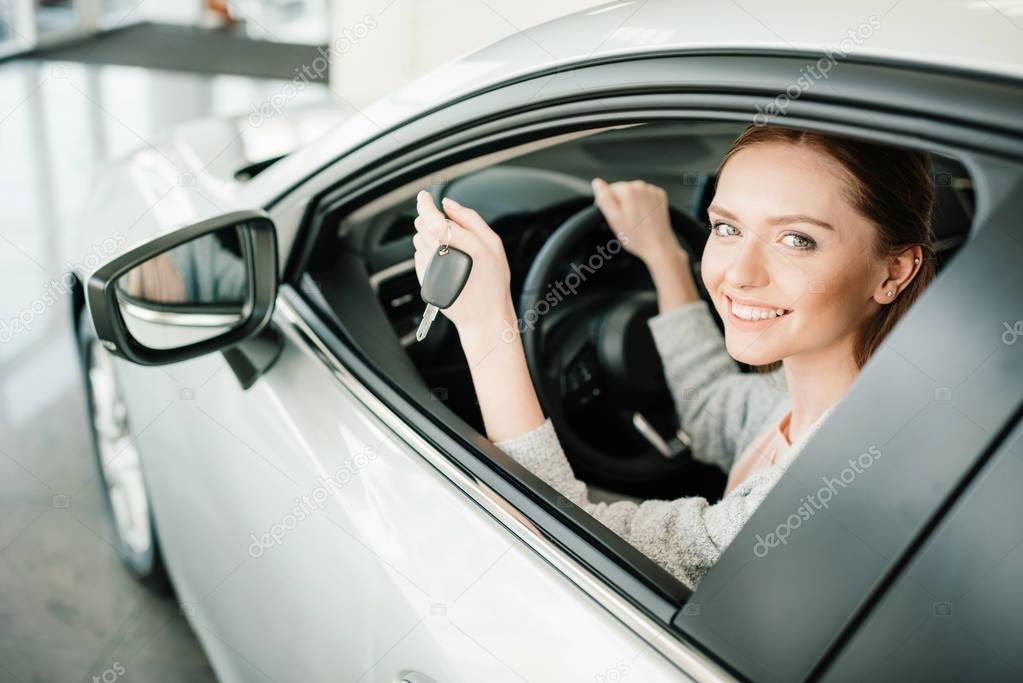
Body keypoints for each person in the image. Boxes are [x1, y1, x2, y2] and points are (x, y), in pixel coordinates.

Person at [411, 124, 936, 589]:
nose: (739, 274)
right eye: (727, 228)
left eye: (796, 239)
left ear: (894, 272)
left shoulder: (826, 486)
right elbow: (711, 407)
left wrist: (486, 327)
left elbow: (550, 535)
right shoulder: (823, 400)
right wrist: (661, 252)